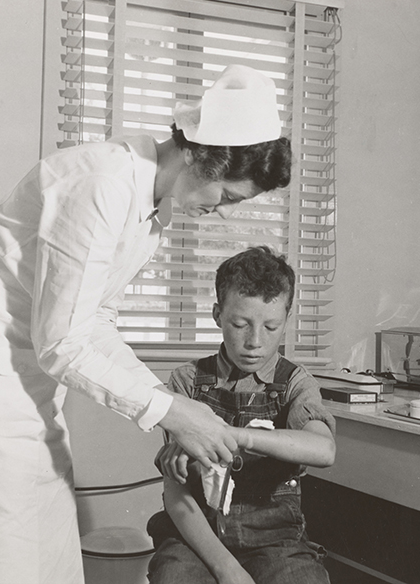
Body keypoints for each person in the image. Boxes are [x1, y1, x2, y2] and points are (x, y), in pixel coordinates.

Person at [0, 65, 292, 584]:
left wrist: (172, 404)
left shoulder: (151, 209)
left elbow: (93, 320)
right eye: (229, 197)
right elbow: (61, 341)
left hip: (27, 379)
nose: (223, 212)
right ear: (202, 156)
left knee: (38, 545)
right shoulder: (99, 183)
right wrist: (171, 413)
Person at [147, 246, 335, 584]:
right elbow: (176, 496)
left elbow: (324, 450)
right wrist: (226, 568)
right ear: (218, 315)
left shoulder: (295, 383)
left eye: (271, 326)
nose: (255, 342)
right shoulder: (186, 381)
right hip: (196, 537)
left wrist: (235, 436)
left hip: (277, 542)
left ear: (287, 320)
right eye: (239, 324)